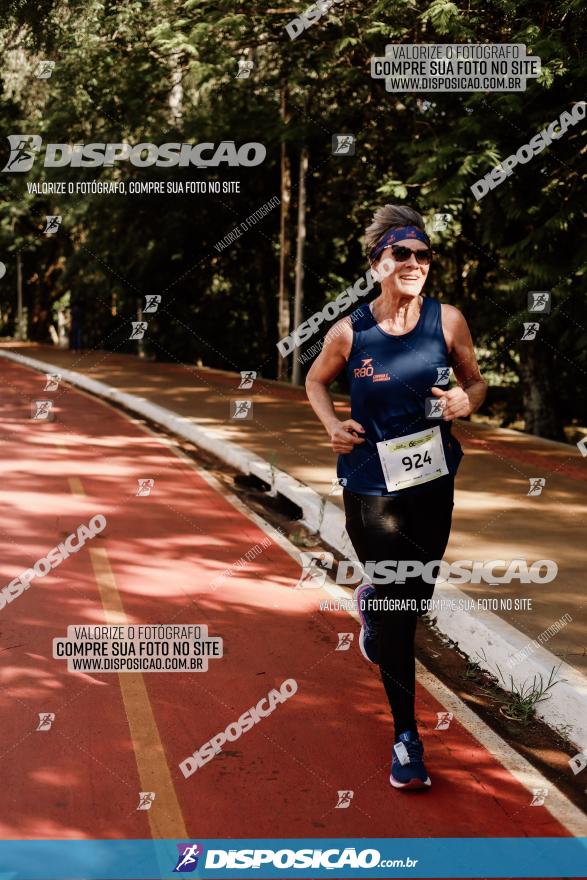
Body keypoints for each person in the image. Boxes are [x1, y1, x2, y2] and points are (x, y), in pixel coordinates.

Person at [305, 204, 486, 789]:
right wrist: (331, 424)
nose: (414, 263)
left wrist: (468, 401)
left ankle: (374, 611)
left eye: (423, 255)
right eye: (401, 254)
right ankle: (406, 739)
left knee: (415, 598)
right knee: (401, 613)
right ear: (378, 264)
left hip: (432, 483)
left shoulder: (448, 321)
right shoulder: (351, 331)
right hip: (368, 485)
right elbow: (314, 379)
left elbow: (476, 380)